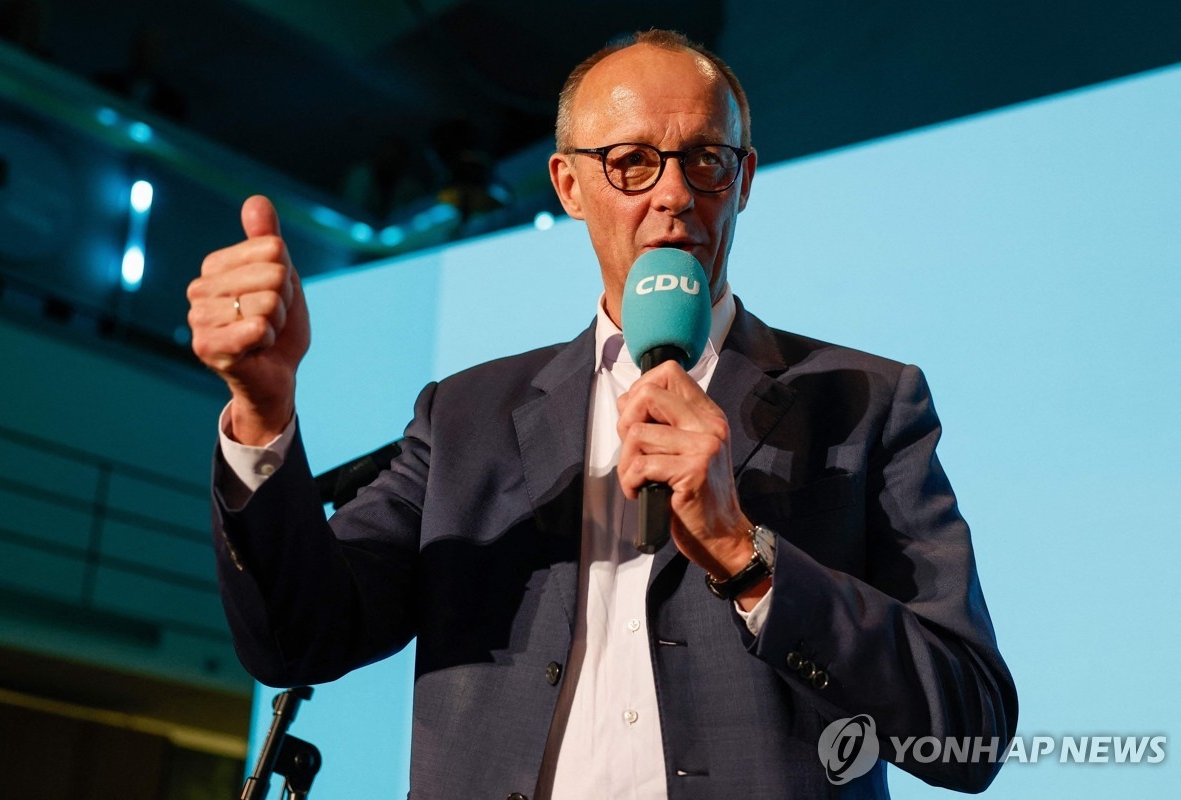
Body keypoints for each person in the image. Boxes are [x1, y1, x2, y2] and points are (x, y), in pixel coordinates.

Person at [188, 30, 1016, 799]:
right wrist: (263, 411)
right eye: (631, 162)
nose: (674, 194)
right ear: (569, 186)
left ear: (744, 181)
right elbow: (301, 639)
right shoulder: (466, 417)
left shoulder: (866, 402)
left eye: (706, 160)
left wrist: (747, 557)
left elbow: (969, 728)